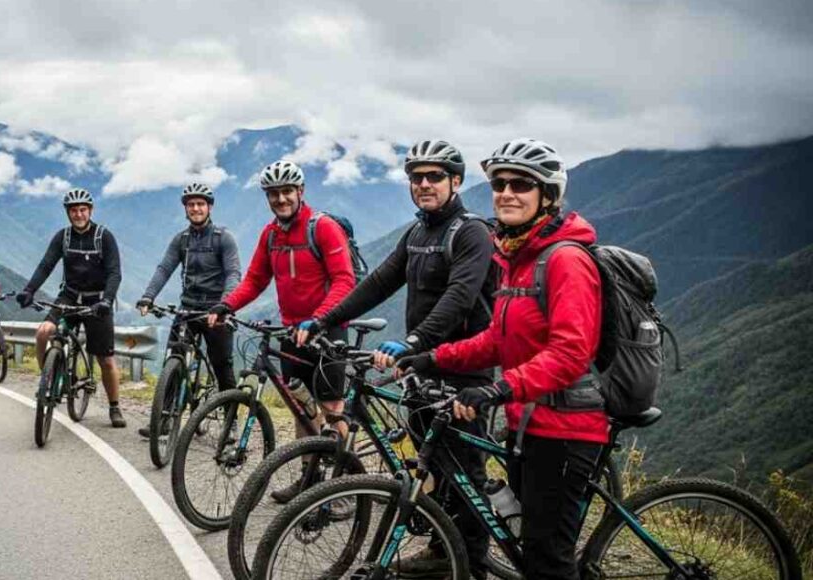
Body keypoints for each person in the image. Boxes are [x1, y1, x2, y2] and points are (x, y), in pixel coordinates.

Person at [396, 138, 607, 580]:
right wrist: (431, 358)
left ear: (547, 196)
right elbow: (497, 340)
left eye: (521, 185)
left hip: (564, 430)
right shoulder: (518, 257)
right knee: (534, 547)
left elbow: (571, 352)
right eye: (499, 183)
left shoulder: (565, 260)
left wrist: (498, 387)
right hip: (526, 423)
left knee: (547, 563)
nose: (507, 193)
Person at [296, 139, 497, 576]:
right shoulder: (418, 232)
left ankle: (473, 564)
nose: (424, 184)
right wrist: (324, 318)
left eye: (434, 176)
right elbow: (378, 284)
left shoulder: (471, 232)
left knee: (467, 476)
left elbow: (460, 297)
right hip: (423, 370)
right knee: (437, 466)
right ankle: (445, 552)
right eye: (416, 177)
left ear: (456, 181)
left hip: (464, 370)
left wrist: (414, 340)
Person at [206, 160, 357, 444]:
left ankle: (347, 474)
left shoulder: (323, 227)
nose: (281, 199)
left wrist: (320, 319)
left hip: (327, 331)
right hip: (292, 334)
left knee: (332, 410)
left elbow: (344, 281)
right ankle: (307, 477)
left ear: (300, 190)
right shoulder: (271, 234)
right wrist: (227, 305)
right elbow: (254, 281)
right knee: (301, 410)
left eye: (287, 191)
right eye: (273, 194)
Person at [135, 183, 242, 438]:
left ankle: (231, 421)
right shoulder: (181, 240)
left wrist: (225, 304)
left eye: (200, 204)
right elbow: (164, 268)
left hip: (217, 310)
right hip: (188, 309)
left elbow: (233, 274)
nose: (195, 208)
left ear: (209, 207)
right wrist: (148, 296)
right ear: (185, 208)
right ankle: (164, 420)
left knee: (222, 366)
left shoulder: (223, 238)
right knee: (175, 359)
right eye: (191, 204)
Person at [16, 188, 127, 428]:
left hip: (97, 301)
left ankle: (114, 406)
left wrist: (107, 300)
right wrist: (29, 290)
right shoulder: (63, 237)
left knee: (105, 360)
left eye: (82, 210)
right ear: (68, 213)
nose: (78, 214)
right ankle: (46, 379)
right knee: (43, 332)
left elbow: (114, 273)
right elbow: (46, 265)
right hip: (69, 297)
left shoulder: (103, 237)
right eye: (74, 210)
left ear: (90, 211)